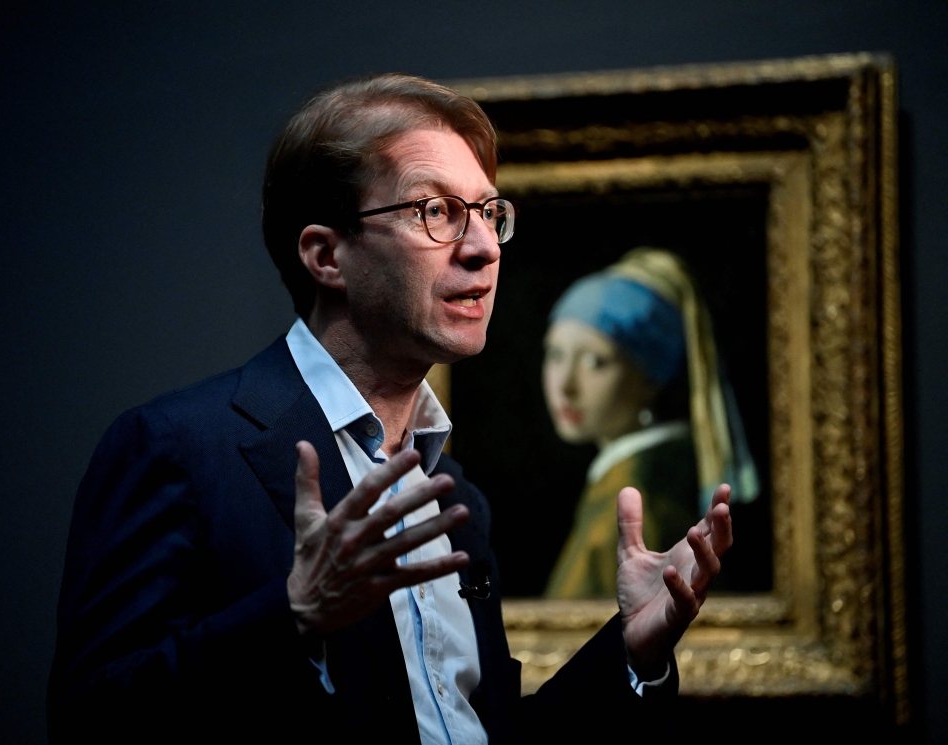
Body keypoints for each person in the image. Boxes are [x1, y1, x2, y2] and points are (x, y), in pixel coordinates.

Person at [48, 75, 734, 744]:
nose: (484, 247)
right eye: (435, 211)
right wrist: (293, 618)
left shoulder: (457, 496)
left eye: (489, 213)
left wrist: (631, 651)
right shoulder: (176, 447)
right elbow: (89, 719)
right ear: (326, 255)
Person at [543, 248, 757, 599]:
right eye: (555, 355)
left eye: (595, 361)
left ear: (649, 377)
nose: (565, 385)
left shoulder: (636, 493)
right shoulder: (634, 477)